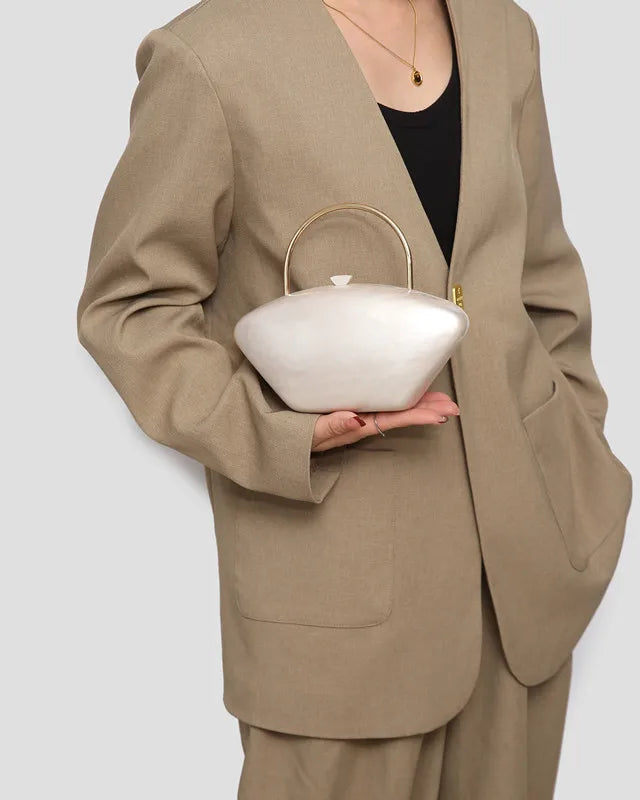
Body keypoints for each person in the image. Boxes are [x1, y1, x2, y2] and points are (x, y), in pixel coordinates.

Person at [77, 0, 633, 797]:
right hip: (338, 597)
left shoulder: (503, 30)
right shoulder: (209, 55)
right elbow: (130, 310)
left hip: (525, 586)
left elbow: (541, 279)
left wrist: (579, 454)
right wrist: (278, 431)